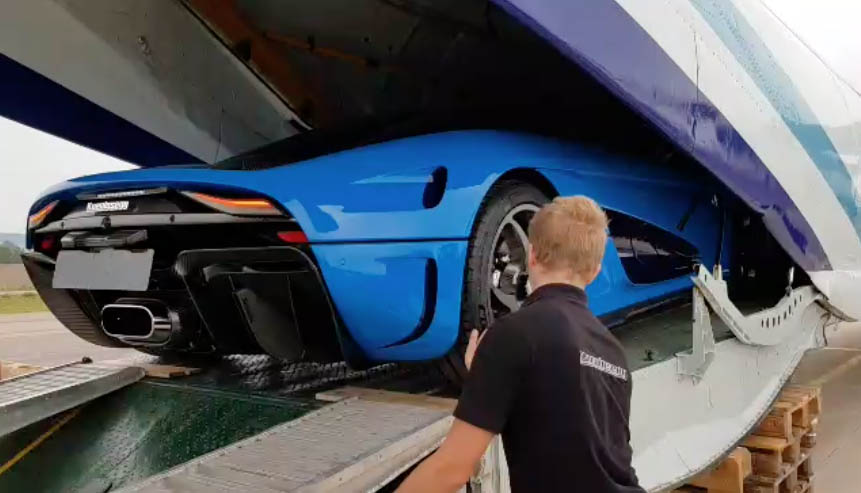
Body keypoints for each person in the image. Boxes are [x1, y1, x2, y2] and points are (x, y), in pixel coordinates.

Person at [397, 196, 644, 492]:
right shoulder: (613, 351)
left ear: (532, 255)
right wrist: (488, 374)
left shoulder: (513, 334)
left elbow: (451, 470)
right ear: (595, 271)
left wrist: (487, 369)